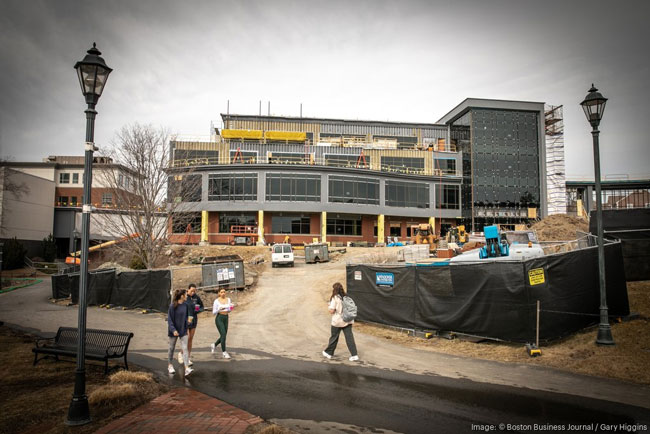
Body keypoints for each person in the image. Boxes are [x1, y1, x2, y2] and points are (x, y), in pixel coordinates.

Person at [322, 282, 359, 361]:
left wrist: (329, 306)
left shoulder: (335, 298)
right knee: (349, 338)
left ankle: (329, 353)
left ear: (334, 289)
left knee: (334, 337)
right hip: (348, 320)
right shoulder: (346, 296)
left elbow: (332, 311)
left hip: (338, 321)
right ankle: (354, 355)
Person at [167, 289, 194, 376]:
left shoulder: (185, 305)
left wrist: (188, 322)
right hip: (174, 331)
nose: (187, 296)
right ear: (182, 296)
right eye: (186, 294)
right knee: (171, 348)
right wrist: (173, 330)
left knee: (185, 349)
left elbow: (185, 318)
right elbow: (170, 320)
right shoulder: (172, 306)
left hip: (183, 330)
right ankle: (170, 365)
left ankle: (186, 368)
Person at [178, 283, 204, 366]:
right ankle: (181, 353)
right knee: (186, 338)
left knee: (190, 339)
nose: (193, 292)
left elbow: (202, 306)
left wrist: (198, 310)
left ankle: (188, 358)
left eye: (194, 291)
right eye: (192, 291)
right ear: (188, 289)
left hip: (194, 319)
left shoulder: (196, 297)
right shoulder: (184, 297)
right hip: (185, 320)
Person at [211, 288, 233, 359]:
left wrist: (231, 308)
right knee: (223, 334)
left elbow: (229, 310)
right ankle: (224, 352)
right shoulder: (216, 301)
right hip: (219, 318)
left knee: (224, 335)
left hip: (226, 317)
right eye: (221, 292)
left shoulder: (228, 299)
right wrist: (219, 309)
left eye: (224, 292)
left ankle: (214, 345)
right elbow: (213, 312)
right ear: (219, 293)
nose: (223, 293)